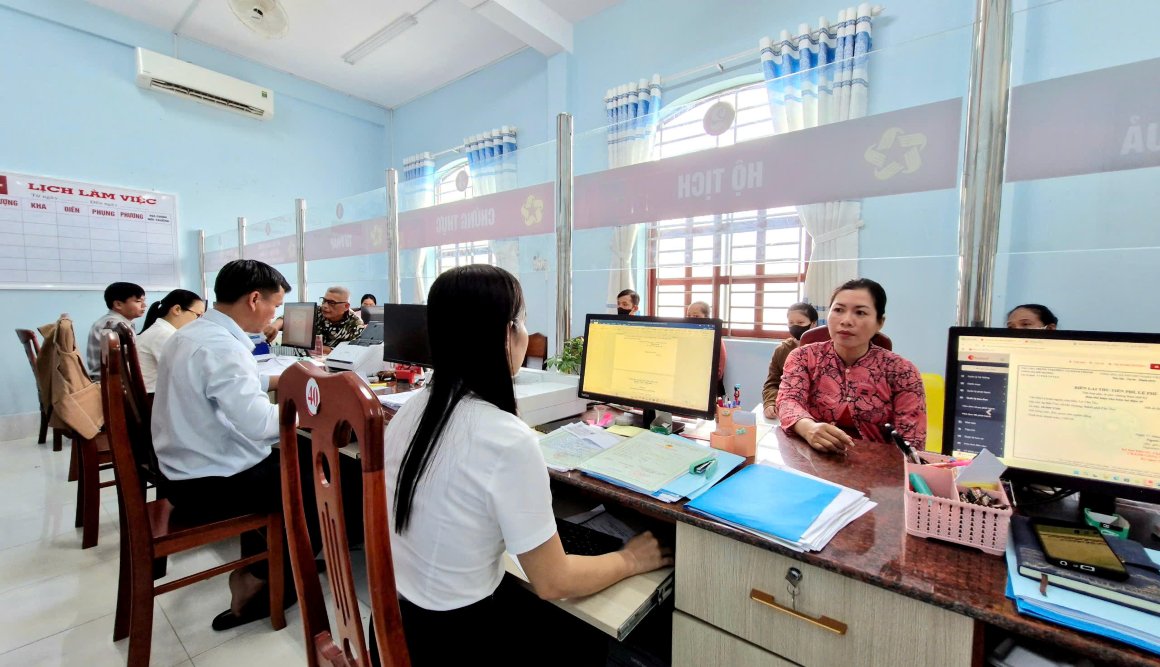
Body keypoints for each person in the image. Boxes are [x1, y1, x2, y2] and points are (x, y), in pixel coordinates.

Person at [380, 265, 671, 664]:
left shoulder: (412, 410)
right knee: (585, 633)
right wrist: (631, 558)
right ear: (505, 334)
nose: (524, 333)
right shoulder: (505, 437)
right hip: (455, 641)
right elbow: (555, 581)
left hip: (401, 619)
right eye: (522, 320)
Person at [153, 259, 319, 631]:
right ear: (255, 299)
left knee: (306, 458)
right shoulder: (222, 348)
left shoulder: (195, 335)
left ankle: (282, 556)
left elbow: (225, 385)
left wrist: (277, 381)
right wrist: (315, 416)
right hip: (209, 483)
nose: (274, 316)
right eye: (275, 306)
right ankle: (261, 581)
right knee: (321, 482)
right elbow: (260, 425)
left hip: (184, 471)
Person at [776, 279, 926, 453]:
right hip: (809, 456)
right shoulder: (803, 356)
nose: (846, 321)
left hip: (877, 470)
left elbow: (912, 441)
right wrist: (808, 427)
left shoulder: (903, 371)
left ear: (880, 322)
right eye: (838, 310)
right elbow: (788, 400)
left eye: (860, 312)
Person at [135, 289, 205, 392]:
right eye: (198, 316)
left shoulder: (162, 330)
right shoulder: (163, 335)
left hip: (155, 395)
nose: (200, 322)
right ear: (177, 309)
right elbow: (183, 374)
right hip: (155, 398)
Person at [263, 285, 363, 353]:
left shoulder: (355, 324)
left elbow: (353, 352)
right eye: (324, 300)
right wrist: (275, 325)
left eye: (331, 303)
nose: (325, 306)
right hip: (306, 359)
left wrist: (322, 349)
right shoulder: (316, 311)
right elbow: (289, 317)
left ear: (346, 306)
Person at [762, 303, 820, 417]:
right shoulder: (782, 350)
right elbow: (772, 383)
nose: (795, 327)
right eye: (791, 323)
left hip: (817, 414)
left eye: (800, 323)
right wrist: (770, 403)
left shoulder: (824, 350)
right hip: (788, 412)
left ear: (813, 324)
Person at [86, 282, 147, 379]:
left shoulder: (108, 321)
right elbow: (133, 359)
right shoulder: (117, 326)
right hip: (112, 384)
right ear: (118, 304)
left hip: (107, 380)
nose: (144, 305)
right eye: (138, 301)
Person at [686, 301, 727, 391]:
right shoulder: (687, 337)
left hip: (708, 387)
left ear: (707, 318)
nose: (691, 319)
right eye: (688, 316)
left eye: (696, 316)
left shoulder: (716, 339)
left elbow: (718, 373)